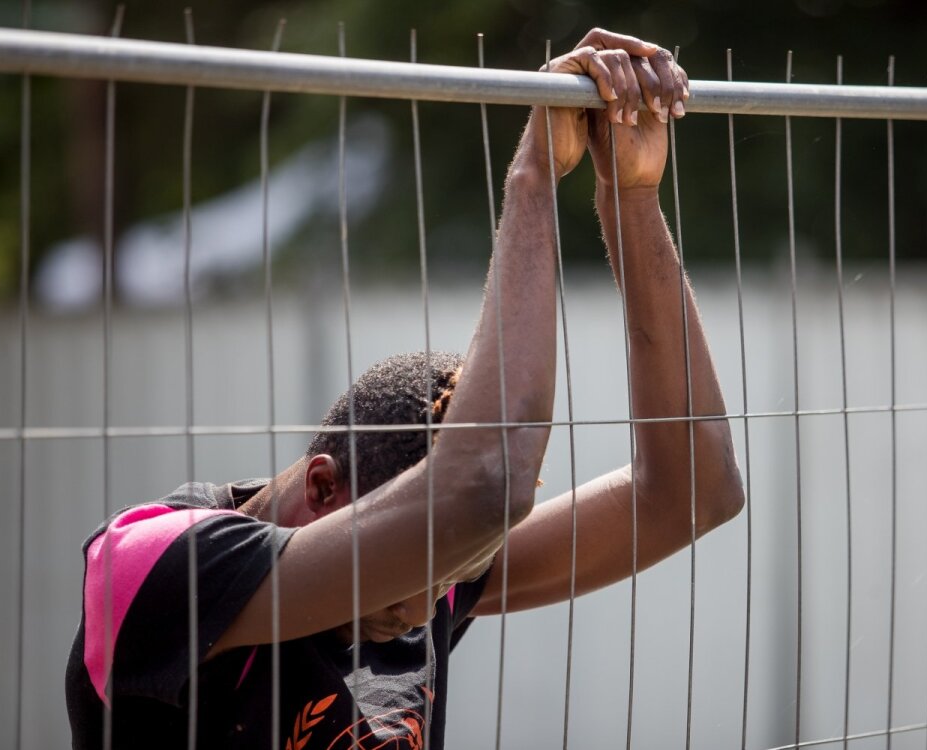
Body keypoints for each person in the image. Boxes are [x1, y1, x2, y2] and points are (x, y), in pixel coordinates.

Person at [65, 28, 744, 750]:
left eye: (445, 578)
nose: (428, 613)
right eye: (414, 577)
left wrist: (631, 198)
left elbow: (692, 493)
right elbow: (483, 486)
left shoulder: (436, 567)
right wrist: (534, 177)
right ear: (323, 488)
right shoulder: (156, 566)